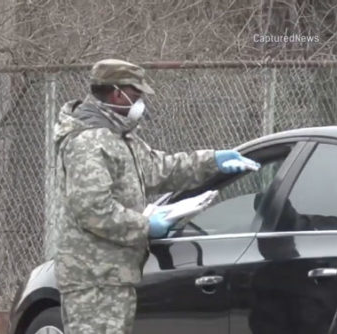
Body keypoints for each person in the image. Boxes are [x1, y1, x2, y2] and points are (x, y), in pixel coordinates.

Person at [53, 58, 259, 334]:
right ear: (117, 93)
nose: (140, 104)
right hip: (93, 278)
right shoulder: (89, 142)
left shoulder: (119, 136)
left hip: (112, 275)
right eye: (136, 96)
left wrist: (212, 161)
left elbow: (159, 169)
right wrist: (147, 226)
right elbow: (93, 209)